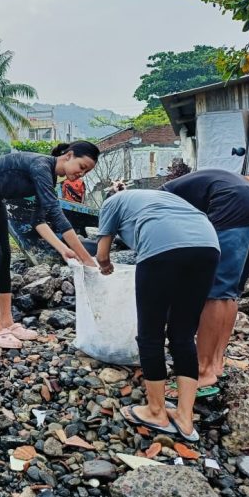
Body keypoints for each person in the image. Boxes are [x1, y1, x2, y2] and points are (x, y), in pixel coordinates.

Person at [96, 189, 219, 442]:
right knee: (183, 334)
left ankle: (156, 412)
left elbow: (102, 253)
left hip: (161, 245)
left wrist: (106, 266)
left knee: (151, 334)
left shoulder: (111, 202)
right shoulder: (162, 198)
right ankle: (185, 418)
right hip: (207, 245)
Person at [0, 142, 99, 348]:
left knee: (5, 256)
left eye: (86, 171)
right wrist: (86, 258)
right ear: (68, 156)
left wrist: (63, 249)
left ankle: (7, 322)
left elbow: (39, 221)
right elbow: (55, 214)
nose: (82, 174)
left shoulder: (48, 179)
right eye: (82, 166)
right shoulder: (41, 166)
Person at [160, 169, 249, 392]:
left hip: (234, 203)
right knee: (231, 291)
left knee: (215, 291)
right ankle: (216, 362)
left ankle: (202, 371)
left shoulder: (160, 201)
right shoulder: (184, 190)